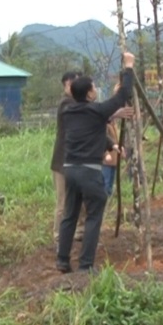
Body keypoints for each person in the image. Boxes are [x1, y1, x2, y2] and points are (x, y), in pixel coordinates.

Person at [56, 52, 135, 273]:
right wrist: (129, 67)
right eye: (94, 87)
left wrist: (110, 145)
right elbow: (123, 97)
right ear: (90, 94)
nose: (96, 90)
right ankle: (86, 265)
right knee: (93, 215)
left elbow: (92, 130)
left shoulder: (69, 111)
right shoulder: (97, 111)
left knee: (70, 215)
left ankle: (62, 260)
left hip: (70, 170)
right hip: (90, 172)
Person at [51, 71, 82, 242]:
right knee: (63, 201)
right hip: (62, 161)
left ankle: (76, 231)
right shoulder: (66, 104)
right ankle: (58, 235)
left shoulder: (77, 103)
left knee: (77, 199)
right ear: (66, 85)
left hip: (75, 161)